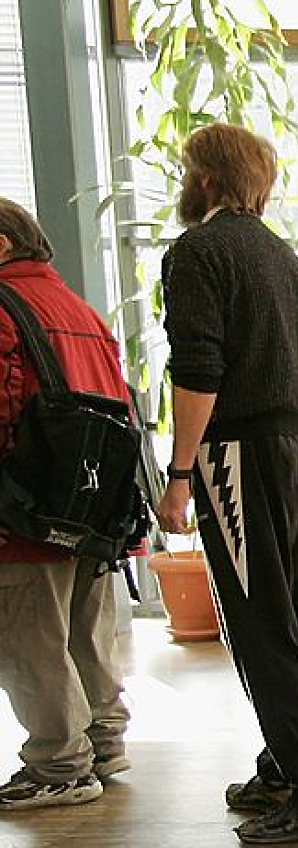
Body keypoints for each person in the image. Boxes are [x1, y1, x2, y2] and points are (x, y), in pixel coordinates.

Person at [154, 124, 298, 845]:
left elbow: (199, 370)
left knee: (258, 618)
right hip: (297, 442)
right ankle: (285, 763)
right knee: (292, 610)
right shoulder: (286, 260)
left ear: (206, 180)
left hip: (238, 451)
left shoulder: (198, 253)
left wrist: (179, 474)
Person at [0, 199, 135, 810]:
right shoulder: (76, 306)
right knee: (85, 622)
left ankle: (58, 761)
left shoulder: (4, 306)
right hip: (91, 498)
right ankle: (104, 742)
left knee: (29, 632)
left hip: (29, 500)